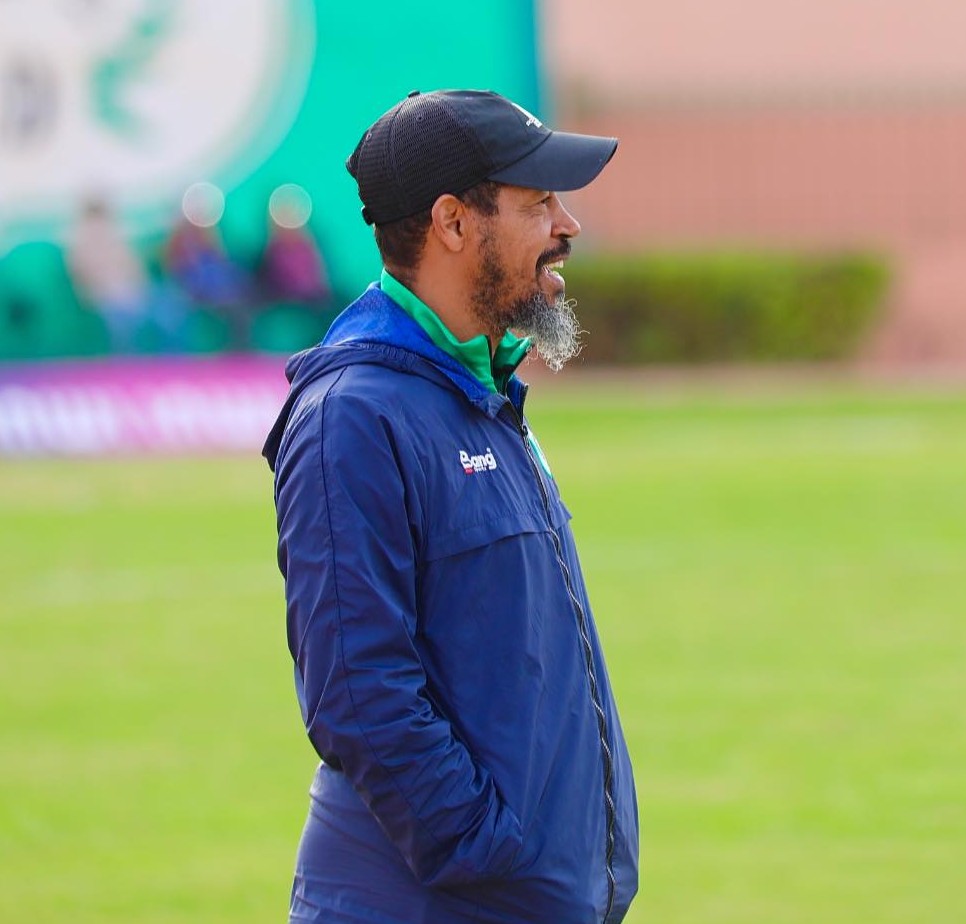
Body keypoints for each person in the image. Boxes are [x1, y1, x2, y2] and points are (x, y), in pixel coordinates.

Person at [263, 89, 639, 924]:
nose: (567, 225)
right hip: (436, 902)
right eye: (538, 202)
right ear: (453, 223)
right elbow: (359, 695)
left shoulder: (478, 393)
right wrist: (487, 852)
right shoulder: (354, 415)